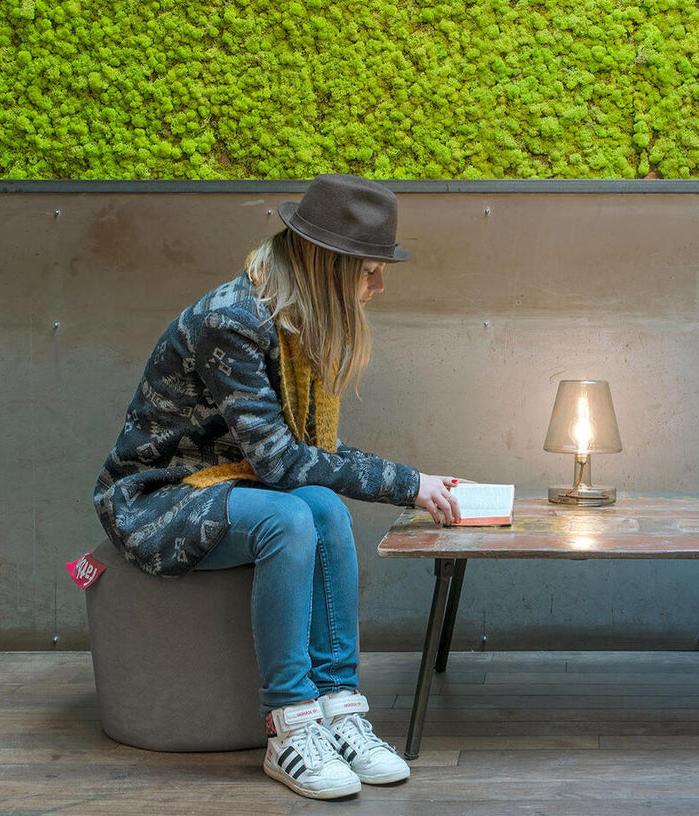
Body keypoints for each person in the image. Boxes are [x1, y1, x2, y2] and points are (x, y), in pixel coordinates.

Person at [94, 173, 465, 800]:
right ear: (329, 265)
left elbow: (304, 461)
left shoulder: (291, 322)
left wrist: (417, 485)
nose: (379, 285)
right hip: (158, 496)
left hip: (230, 485)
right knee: (289, 516)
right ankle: (290, 726)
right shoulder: (231, 320)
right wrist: (409, 484)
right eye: (371, 270)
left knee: (322, 507)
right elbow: (281, 464)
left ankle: (340, 709)